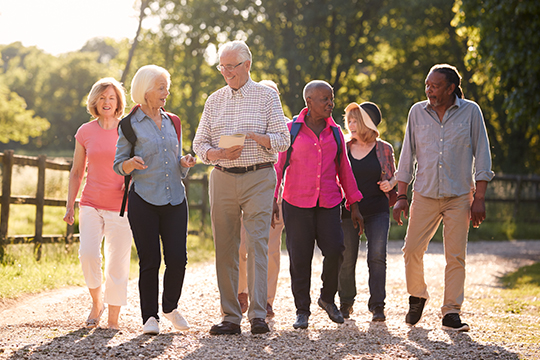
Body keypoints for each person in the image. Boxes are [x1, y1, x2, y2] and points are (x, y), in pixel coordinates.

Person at [193, 41, 290, 335]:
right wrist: (218, 154)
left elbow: (283, 140)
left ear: (247, 65)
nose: (225, 71)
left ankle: (258, 315)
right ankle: (230, 317)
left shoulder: (266, 97)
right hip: (222, 176)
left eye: (231, 66)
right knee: (225, 247)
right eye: (222, 66)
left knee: (258, 243)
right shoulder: (214, 100)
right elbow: (199, 145)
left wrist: (257, 138)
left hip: (259, 176)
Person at [393, 64, 494, 331]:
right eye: (427, 85)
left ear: (451, 88)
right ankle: (417, 295)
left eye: (435, 86)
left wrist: (479, 198)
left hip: (459, 195)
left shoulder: (471, 111)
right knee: (412, 249)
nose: (429, 90)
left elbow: (483, 154)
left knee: (456, 255)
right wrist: (401, 195)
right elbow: (407, 155)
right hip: (424, 193)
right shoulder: (417, 112)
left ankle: (451, 312)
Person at [274, 80, 364, 330]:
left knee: (336, 249)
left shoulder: (335, 132)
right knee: (300, 258)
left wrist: (354, 203)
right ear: (309, 102)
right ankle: (302, 310)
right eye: (324, 99)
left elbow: (344, 169)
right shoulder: (291, 130)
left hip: (328, 201)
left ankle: (327, 298)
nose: (330, 103)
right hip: (296, 202)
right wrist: (273, 198)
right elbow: (278, 167)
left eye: (331, 98)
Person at [113, 65, 197, 335]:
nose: (166, 92)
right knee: (149, 260)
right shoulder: (129, 124)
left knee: (177, 259)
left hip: (175, 199)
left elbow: (174, 159)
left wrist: (184, 163)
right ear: (146, 90)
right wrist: (130, 164)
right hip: (144, 199)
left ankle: (170, 307)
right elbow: (118, 164)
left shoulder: (174, 120)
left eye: (166, 86)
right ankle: (150, 317)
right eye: (161, 87)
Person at [63, 77, 133, 330]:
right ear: (95, 100)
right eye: (102, 97)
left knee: (118, 262)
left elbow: (139, 162)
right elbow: (77, 171)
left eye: (111, 98)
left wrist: (132, 179)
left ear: (118, 103)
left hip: (122, 205)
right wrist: (70, 204)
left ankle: (113, 319)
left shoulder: (129, 128)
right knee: (89, 255)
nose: (106, 102)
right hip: (91, 202)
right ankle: (96, 302)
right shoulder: (85, 131)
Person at [338, 101, 396, 322]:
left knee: (377, 257)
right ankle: (345, 303)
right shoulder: (343, 147)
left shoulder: (384, 148)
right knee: (346, 257)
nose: (350, 124)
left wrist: (390, 184)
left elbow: (392, 175)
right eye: (349, 120)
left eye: (355, 120)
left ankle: (377, 306)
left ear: (366, 123)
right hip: (348, 210)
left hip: (377, 210)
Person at [237, 80, 286, 319]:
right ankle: (241, 290)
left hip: (276, 199)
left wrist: (278, 198)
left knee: (271, 250)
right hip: (246, 195)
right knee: (241, 246)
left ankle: (265, 300)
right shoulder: (244, 123)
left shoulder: (285, 129)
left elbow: (287, 168)